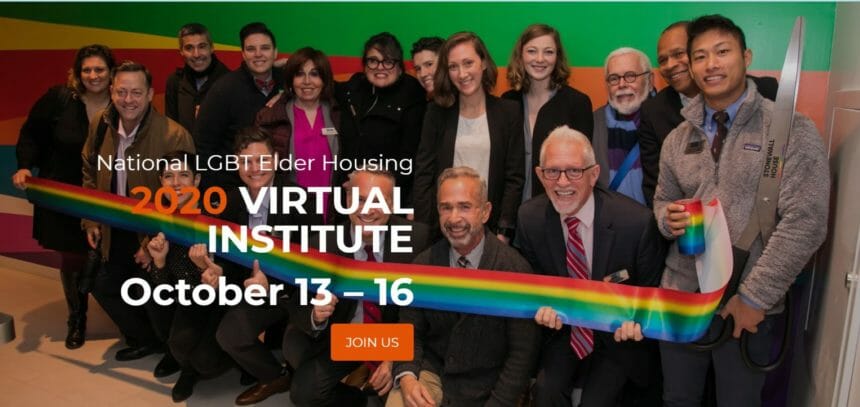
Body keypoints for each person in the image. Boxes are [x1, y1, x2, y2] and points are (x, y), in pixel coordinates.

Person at [654, 15, 828, 406]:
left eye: (722, 52)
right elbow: (662, 199)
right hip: (682, 298)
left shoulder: (789, 131)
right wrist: (668, 218)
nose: (711, 64)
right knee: (677, 398)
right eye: (700, 56)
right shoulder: (678, 138)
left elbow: (807, 223)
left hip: (746, 305)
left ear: (746, 56)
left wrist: (754, 297)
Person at [514, 125, 665, 407]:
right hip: (564, 330)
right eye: (552, 172)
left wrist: (638, 322)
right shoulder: (529, 219)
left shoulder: (636, 223)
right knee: (546, 392)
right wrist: (540, 308)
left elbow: (653, 293)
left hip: (619, 336)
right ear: (539, 175)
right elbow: (530, 285)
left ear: (594, 174)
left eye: (574, 171)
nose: (562, 182)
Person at [389, 166, 540, 406]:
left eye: (465, 207)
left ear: (485, 212)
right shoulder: (423, 265)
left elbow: (521, 356)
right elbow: (408, 332)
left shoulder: (515, 270)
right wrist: (407, 378)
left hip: (487, 388)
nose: (454, 218)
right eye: (446, 207)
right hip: (432, 374)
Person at [80, 61, 195, 365]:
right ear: (111, 92)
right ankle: (147, 340)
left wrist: (150, 242)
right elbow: (89, 171)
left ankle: (174, 350)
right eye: (121, 92)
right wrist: (91, 218)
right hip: (112, 226)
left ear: (150, 94)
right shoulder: (100, 125)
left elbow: (184, 195)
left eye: (136, 92)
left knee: (158, 294)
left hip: (156, 232)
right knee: (103, 285)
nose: (128, 99)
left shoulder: (174, 135)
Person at [287, 169, 430, 407]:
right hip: (346, 336)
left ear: (392, 204)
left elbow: (424, 311)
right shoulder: (320, 244)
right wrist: (315, 315)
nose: (368, 209)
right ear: (347, 201)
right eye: (361, 199)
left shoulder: (417, 239)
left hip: (392, 336)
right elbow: (297, 303)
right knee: (304, 393)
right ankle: (359, 399)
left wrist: (395, 355)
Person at [12, 44, 116, 350]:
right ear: (77, 72)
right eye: (87, 69)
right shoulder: (58, 99)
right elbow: (31, 134)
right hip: (64, 193)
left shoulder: (122, 100)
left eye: (100, 69)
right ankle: (77, 319)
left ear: (111, 72)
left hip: (107, 194)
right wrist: (23, 167)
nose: (93, 76)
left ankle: (128, 321)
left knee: (106, 254)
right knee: (72, 258)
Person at [213, 127, 321, 406]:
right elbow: (226, 258)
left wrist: (272, 285)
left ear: (275, 160)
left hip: (296, 291)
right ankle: (274, 376)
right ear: (236, 164)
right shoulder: (229, 202)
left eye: (261, 160)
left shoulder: (301, 200)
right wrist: (215, 270)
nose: (254, 168)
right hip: (252, 288)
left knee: (303, 352)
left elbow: (312, 264)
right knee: (229, 335)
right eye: (245, 161)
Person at [639, 21, 778, 206]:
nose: (671, 65)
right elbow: (659, 192)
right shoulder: (654, 111)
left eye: (679, 54)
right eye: (662, 60)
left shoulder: (765, 93)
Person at [413, 32, 525, 243]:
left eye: (468, 63)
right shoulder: (436, 113)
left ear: (483, 63)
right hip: (444, 229)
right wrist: (424, 229)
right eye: (453, 67)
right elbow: (424, 175)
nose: (462, 73)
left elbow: (514, 178)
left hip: (491, 231)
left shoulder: (509, 112)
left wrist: (504, 230)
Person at [144, 150, 234, 402]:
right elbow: (164, 288)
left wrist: (205, 268)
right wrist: (159, 262)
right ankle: (184, 365)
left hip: (217, 301)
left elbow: (229, 284)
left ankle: (229, 360)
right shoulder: (159, 218)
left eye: (184, 175)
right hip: (185, 299)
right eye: (168, 176)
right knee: (154, 300)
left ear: (197, 180)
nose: (175, 183)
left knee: (205, 360)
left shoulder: (216, 217)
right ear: (160, 181)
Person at [503, 23, 594, 202]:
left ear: (557, 57)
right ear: (520, 55)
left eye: (548, 52)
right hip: (511, 210)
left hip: (559, 206)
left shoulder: (577, 103)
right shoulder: (508, 101)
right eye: (532, 51)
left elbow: (582, 167)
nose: (540, 59)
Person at [335, 32, 426, 201]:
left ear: (399, 67)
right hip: (348, 194)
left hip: (391, 197)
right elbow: (320, 86)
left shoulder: (412, 95)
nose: (380, 67)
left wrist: (375, 190)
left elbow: (412, 161)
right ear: (364, 64)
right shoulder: (354, 87)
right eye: (373, 60)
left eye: (388, 61)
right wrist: (280, 78)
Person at [194, 22, 284, 190]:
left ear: (275, 52)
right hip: (234, 188)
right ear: (243, 54)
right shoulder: (223, 89)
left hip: (278, 186)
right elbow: (204, 146)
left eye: (265, 48)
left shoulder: (288, 82)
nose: (258, 54)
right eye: (251, 49)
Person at [256, 47, 340, 222]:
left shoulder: (338, 113)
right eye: (300, 74)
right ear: (291, 80)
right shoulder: (271, 116)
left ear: (324, 79)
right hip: (289, 213)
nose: (307, 81)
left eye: (315, 74)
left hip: (332, 211)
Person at [592, 47, 654, 206]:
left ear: (650, 80)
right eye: (614, 78)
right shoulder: (593, 123)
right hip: (611, 225)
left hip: (659, 224)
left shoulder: (668, 120)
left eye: (630, 76)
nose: (621, 84)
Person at [165, 22, 230, 133]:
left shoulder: (230, 82)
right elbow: (172, 132)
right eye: (189, 48)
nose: (196, 54)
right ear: (181, 51)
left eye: (202, 46)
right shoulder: (174, 81)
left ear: (212, 48)